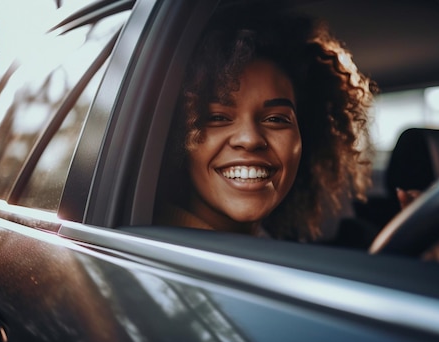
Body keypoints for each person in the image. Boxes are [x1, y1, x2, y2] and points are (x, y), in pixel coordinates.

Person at [155, 3, 375, 242]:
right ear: (176, 138)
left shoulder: (268, 243)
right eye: (217, 118)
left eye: (276, 119)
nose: (250, 139)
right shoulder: (156, 253)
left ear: (304, 138)